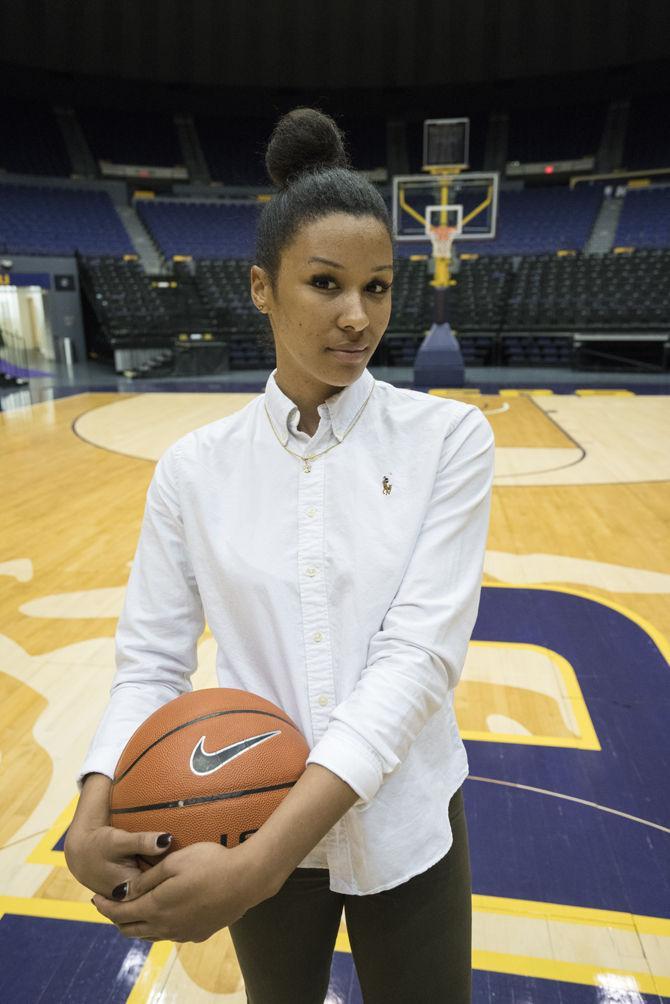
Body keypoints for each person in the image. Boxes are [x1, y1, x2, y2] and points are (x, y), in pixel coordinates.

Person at [64, 107, 495, 1003]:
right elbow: (150, 660)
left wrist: (264, 866)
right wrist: (92, 804)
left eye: (378, 288)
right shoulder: (193, 470)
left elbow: (417, 661)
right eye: (325, 283)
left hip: (402, 814)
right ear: (261, 287)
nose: (356, 315)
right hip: (237, 808)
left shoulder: (449, 439)